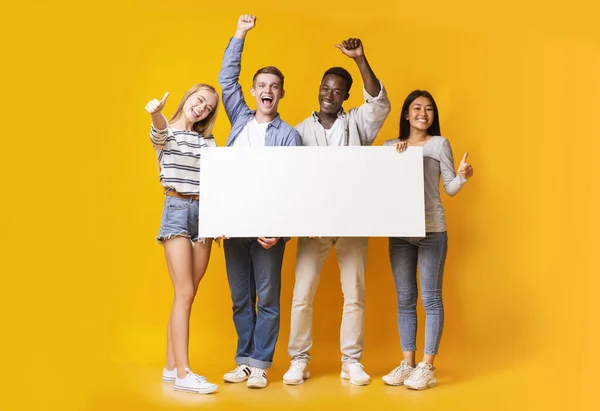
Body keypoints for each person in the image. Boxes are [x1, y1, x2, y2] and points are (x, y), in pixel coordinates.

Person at [282, 38, 391, 386]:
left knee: (355, 295)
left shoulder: (357, 123)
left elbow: (378, 101)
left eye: (337, 91)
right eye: (325, 88)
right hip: (313, 227)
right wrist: (301, 220)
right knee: (302, 294)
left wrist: (360, 60)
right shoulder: (298, 132)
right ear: (319, 91)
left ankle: (351, 361)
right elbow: (292, 184)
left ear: (345, 97)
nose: (329, 95)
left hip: (352, 225)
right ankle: (299, 359)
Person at [217, 14, 302, 389]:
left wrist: (281, 230)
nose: (268, 90)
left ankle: (261, 363)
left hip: (269, 228)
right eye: (262, 85)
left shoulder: (290, 136)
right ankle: (244, 361)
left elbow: (295, 186)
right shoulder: (239, 120)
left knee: (267, 298)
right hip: (234, 225)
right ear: (253, 92)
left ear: (282, 93)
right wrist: (240, 34)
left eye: (275, 86)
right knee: (240, 297)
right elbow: (225, 80)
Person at [381, 90, 473, 390]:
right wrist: (396, 160)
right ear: (406, 113)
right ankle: (407, 363)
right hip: (400, 232)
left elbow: (450, 188)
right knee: (405, 298)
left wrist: (462, 176)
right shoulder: (390, 146)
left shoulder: (438, 144)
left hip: (432, 230)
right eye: (417, 108)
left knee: (431, 298)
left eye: (429, 109)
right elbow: (380, 189)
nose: (423, 113)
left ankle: (427, 366)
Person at [145, 83, 221, 394]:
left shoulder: (208, 140)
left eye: (208, 107)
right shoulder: (167, 133)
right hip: (176, 208)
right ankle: (183, 373)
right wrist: (157, 115)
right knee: (185, 292)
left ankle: (169, 366)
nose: (202, 108)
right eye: (199, 100)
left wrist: (220, 219)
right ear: (188, 97)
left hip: (205, 215)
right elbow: (159, 133)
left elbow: (218, 180)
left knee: (186, 295)